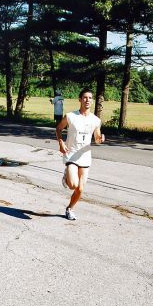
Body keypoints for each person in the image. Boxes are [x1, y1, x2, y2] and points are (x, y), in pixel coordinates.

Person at [56, 88, 105, 220]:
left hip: (85, 156)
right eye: (85, 97)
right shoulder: (71, 116)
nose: (87, 100)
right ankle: (67, 176)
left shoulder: (96, 120)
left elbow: (97, 138)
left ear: (92, 101)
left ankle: (70, 208)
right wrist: (61, 142)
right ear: (80, 100)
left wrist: (100, 139)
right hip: (71, 154)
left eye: (90, 98)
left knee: (80, 189)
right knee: (73, 185)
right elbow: (59, 128)